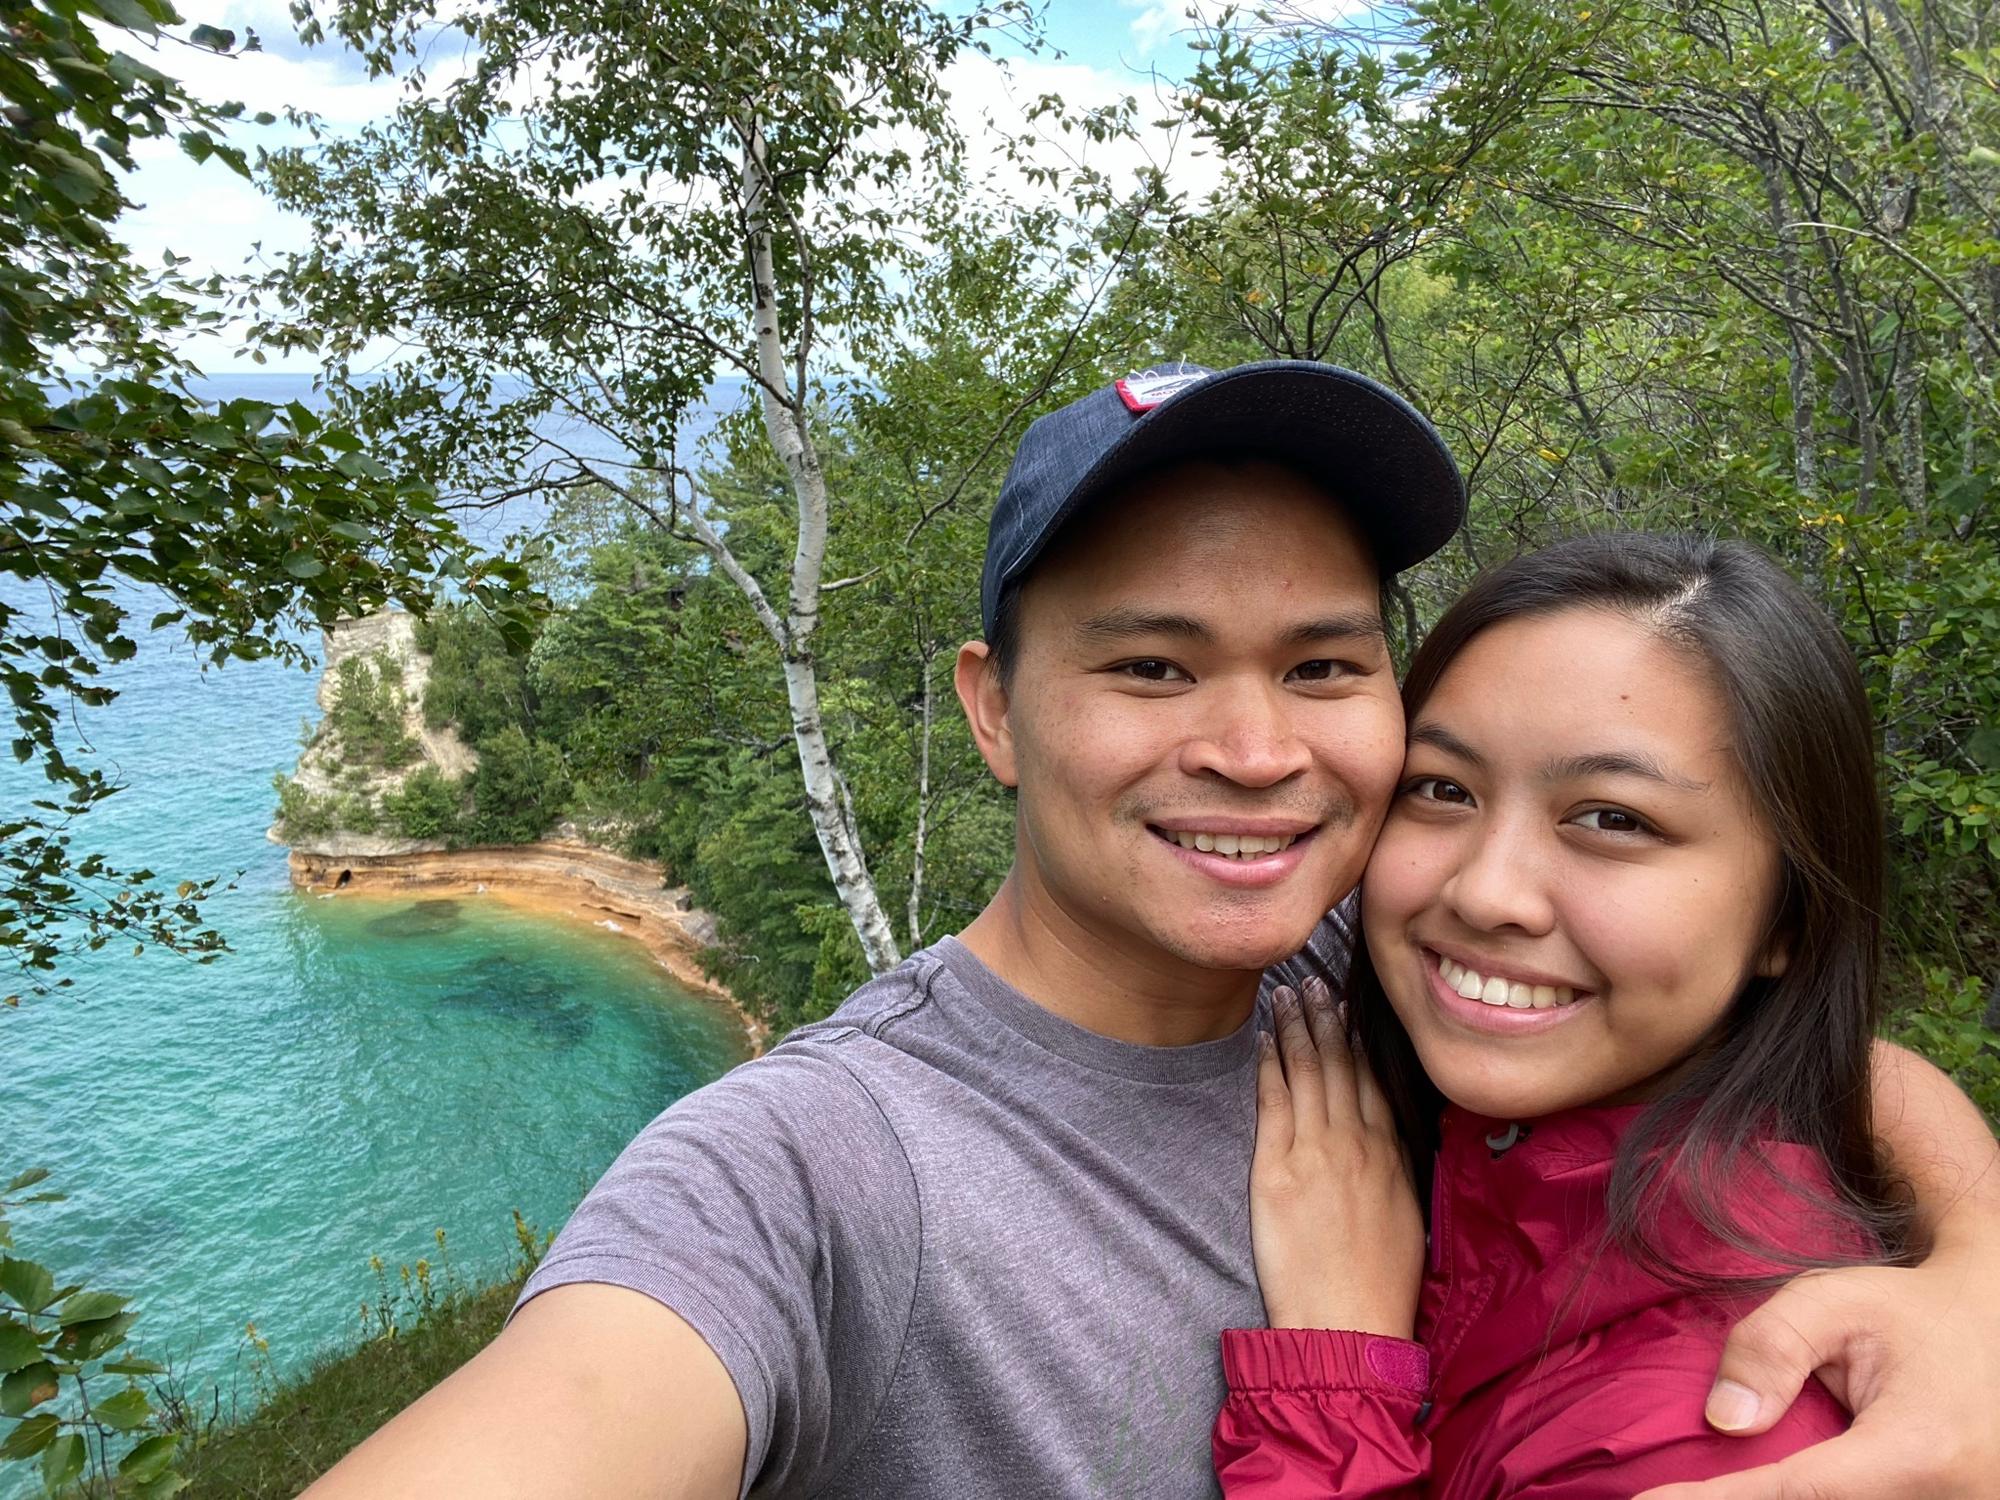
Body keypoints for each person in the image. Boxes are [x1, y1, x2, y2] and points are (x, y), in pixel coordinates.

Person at [302, 365, 2000, 1500]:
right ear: (994, 709)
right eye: (1152, 666)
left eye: (1326, 667)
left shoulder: (1398, 968)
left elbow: (1801, 1046)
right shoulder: (814, 1169)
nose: (1257, 753)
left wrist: (1984, 1281)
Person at [1214, 533, 1975, 1496]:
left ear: (1789, 913)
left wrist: (1342, 1374)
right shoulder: (1324, 971)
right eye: (1442, 790)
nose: (1488, 893)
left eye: (1612, 817)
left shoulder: (1722, 1429)